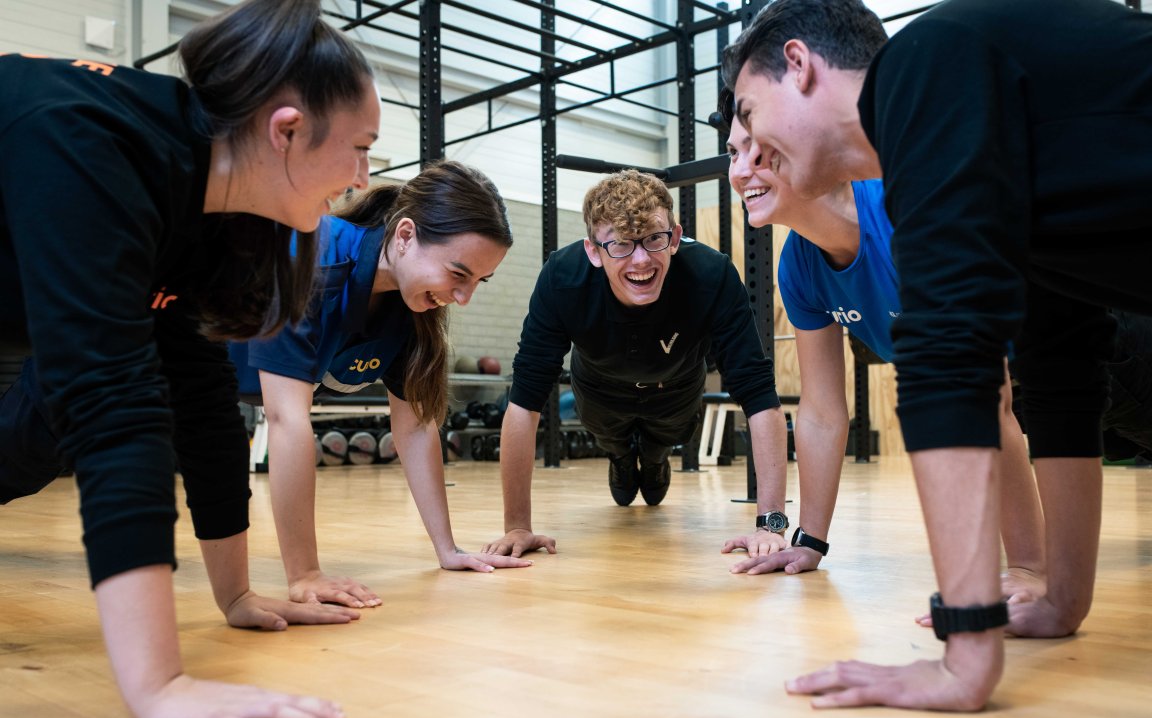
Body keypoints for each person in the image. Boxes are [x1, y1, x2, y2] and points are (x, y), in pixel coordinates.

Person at [723, 0, 1152, 712]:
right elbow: (1060, 361)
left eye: (748, 110)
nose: (752, 147)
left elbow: (954, 358)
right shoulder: (964, 141)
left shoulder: (924, 66)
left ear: (797, 66)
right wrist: (1063, 601)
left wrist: (966, 652)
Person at [0, 0, 380, 718]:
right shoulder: (93, 143)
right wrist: (158, 687)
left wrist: (234, 593)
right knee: (98, 395)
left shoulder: (205, 213)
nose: (363, 177)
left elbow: (202, 401)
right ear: (288, 130)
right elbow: (114, 407)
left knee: (64, 413)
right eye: (361, 148)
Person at [716, 92, 1045, 603]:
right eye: (734, 155)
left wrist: (1026, 568)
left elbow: (987, 403)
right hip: (1030, 386)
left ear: (806, 144)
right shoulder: (798, 268)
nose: (739, 172)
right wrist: (809, 543)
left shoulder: (906, 213)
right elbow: (823, 412)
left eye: (755, 152)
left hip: (1101, 355)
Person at [228, 161, 532, 609]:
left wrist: (446, 550)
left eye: (479, 282)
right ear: (405, 236)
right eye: (458, 274)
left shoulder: (411, 306)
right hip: (168, 356)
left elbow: (414, 428)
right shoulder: (316, 257)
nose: (464, 299)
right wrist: (306, 574)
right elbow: (286, 418)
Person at [482, 169, 789, 559]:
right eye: (621, 245)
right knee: (619, 462)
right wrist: (517, 527)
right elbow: (524, 402)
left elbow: (759, 394)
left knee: (662, 445)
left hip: (676, 388)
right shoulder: (562, 278)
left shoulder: (711, 275)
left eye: (653, 240)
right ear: (593, 251)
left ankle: (656, 458)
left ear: (674, 238)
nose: (641, 259)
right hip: (598, 389)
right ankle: (622, 457)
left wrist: (772, 523)